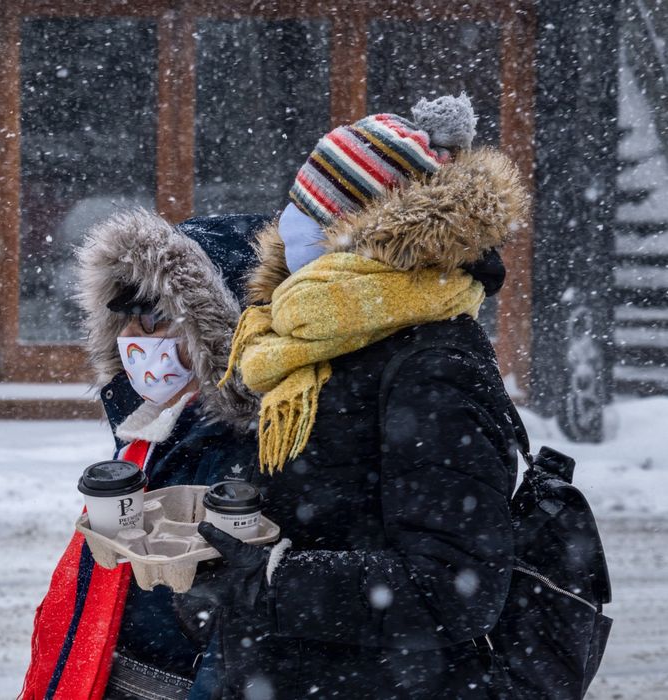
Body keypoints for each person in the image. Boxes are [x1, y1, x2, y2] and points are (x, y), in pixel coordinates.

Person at [187, 95, 529, 699]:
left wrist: (269, 579)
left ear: (355, 230)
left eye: (306, 209)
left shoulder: (432, 365)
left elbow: (455, 585)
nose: (286, 223)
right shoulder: (317, 343)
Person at [19, 208, 270, 700]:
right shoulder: (149, 430)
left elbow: (237, 632)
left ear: (214, 330)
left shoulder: (247, 450)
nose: (134, 337)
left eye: (154, 318)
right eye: (125, 318)